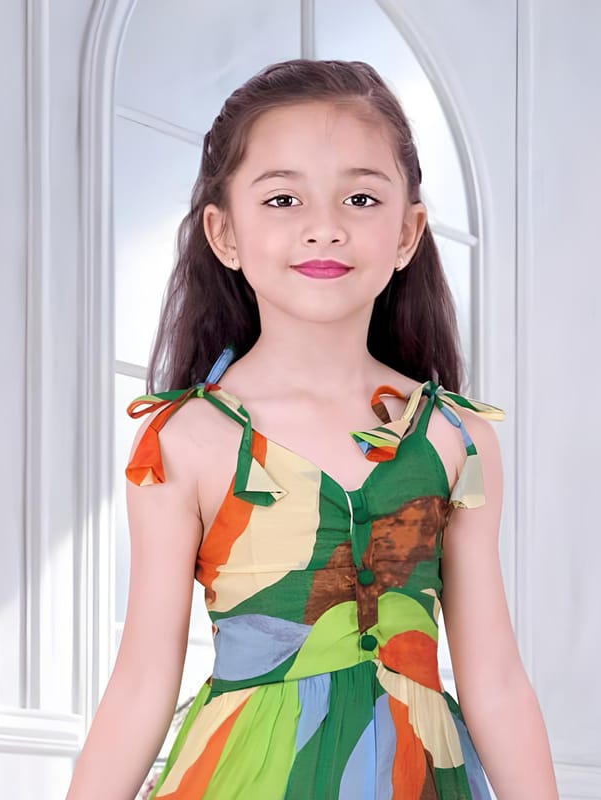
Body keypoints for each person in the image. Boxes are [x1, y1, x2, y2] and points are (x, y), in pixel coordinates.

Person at [66, 59, 558, 800]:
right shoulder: (185, 441)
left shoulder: (455, 439)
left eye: (360, 198)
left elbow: (496, 680)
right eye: (283, 199)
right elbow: (140, 682)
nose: (324, 227)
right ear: (224, 233)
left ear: (407, 232)